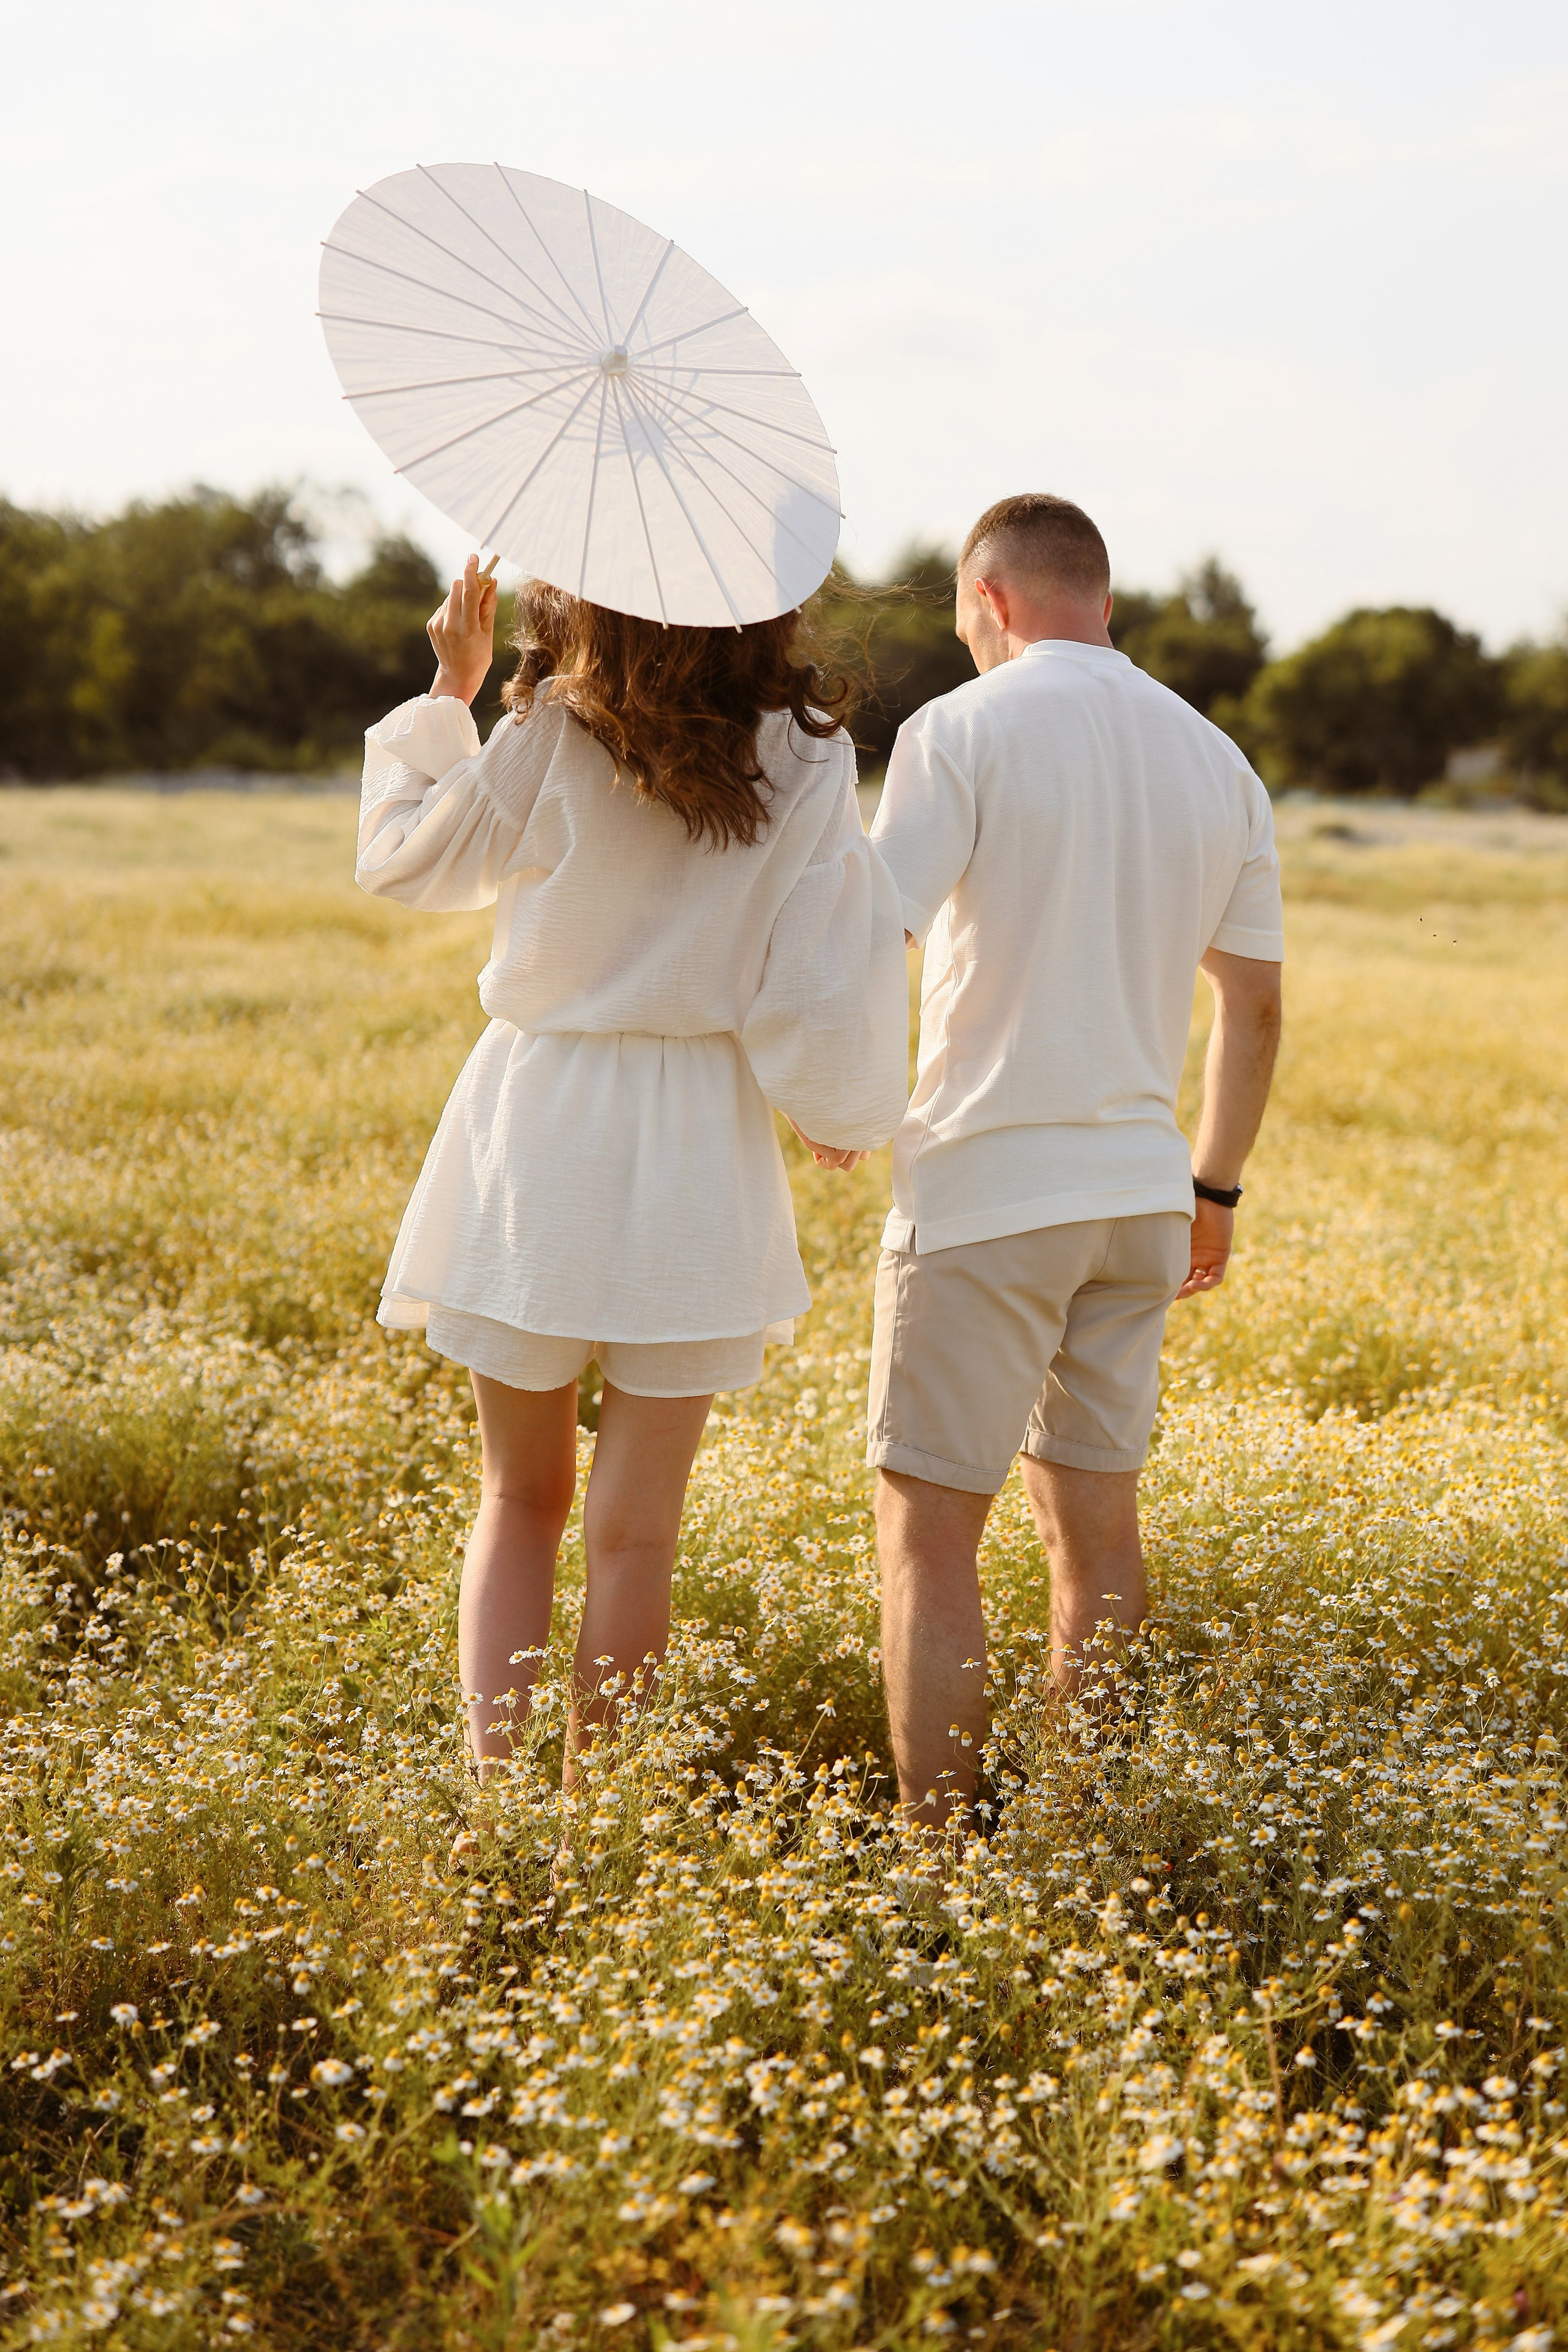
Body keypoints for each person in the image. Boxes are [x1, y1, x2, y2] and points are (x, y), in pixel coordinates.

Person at [356, 557, 909, 1783]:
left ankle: (498, 1806)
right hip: (697, 1132)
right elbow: (820, 962)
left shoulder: (551, 731)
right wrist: (835, 1104)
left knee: (518, 1499)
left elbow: (404, 862)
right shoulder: (809, 754)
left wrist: (452, 687)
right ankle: (591, 1820)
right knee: (637, 1534)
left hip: (540, 1117)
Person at [866, 494, 1284, 1833]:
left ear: (989, 599)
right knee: (1097, 1539)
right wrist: (1209, 1190)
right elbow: (1254, 1004)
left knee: (929, 1541)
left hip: (986, 1191)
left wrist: (835, 1099)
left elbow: (873, 936)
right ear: (1092, 594)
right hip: (1140, 1202)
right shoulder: (1215, 758)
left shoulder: (960, 729)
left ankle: (941, 1864)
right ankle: (1074, 1831)